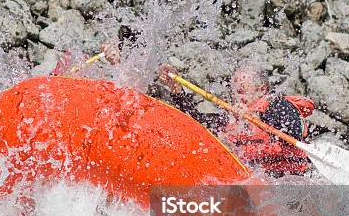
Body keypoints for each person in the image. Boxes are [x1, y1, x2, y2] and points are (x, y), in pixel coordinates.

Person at [102, 42, 315, 177]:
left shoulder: (278, 106)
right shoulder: (230, 120)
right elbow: (194, 123)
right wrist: (176, 90)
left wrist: (253, 116)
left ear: (262, 88)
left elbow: (292, 131)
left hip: (290, 183)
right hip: (259, 186)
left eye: (242, 90)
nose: (236, 95)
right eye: (234, 90)